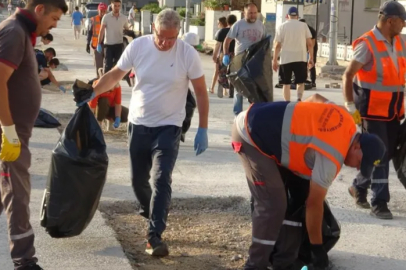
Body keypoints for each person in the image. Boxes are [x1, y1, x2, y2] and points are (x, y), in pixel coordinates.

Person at [76, 8, 209, 257]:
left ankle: (154, 236)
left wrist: (203, 127)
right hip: (139, 124)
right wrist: (94, 92)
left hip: (169, 126)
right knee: (138, 181)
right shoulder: (138, 47)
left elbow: (201, 92)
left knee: (161, 179)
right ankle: (153, 212)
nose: (166, 42)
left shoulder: (187, 54)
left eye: (172, 38)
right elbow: (116, 74)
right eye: (161, 36)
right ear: (153, 30)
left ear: (178, 34)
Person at [231, 93, 385, 270]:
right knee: (273, 204)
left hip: (263, 121)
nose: (358, 168)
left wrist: (299, 127)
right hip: (249, 134)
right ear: (357, 146)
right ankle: (255, 265)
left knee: (295, 201)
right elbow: (314, 205)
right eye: (361, 162)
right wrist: (317, 249)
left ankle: (283, 262)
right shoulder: (332, 157)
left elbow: (315, 97)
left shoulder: (345, 117)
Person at [0, 1, 67, 269]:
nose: (54, 25)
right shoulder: (14, 32)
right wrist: (8, 130)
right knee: (17, 194)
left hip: (15, 132)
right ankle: (24, 261)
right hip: (11, 134)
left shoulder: (21, 32)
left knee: (10, 192)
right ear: (39, 9)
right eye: (53, 18)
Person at [343, 1, 406, 220]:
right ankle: (379, 201)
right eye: (402, 21)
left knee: (385, 154)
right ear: (390, 21)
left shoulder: (399, 42)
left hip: (393, 110)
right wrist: (350, 108)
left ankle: (358, 187)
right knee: (380, 155)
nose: (404, 25)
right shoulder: (367, 43)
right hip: (371, 111)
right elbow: (348, 75)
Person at [223, 3, 266, 116]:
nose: (253, 15)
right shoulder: (238, 25)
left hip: (255, 61)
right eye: (250, 13)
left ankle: (254, 112)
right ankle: (238, 113)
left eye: (255, 13)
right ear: (244, 13)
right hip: (240, 60)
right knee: (239, 87)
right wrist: (225, 55)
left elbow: (264, 43)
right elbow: (227, 40)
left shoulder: (260, 25)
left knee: (255, 87)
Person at [272, 7, 314, 102]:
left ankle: (287, 102)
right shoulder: (303, 26)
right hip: (301, 58)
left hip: (286, 59)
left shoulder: (282, 27)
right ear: (297, 16)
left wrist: (274, 60)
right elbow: (310, 44)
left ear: (287, 16)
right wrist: (311, 58)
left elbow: (277, 45)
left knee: (286, 83)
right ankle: (299, 98)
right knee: (300, 81)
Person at [98, 0, 128, 74]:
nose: (117, 8)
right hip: (108, 45)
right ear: (111, 6)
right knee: (108, 66)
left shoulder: (124, 18)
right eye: (115, 6)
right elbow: (101, 31)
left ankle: (115, 84)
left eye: (118, 6)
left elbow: (127, 30)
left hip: (119, 44)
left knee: (118, 66)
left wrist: (130, 30)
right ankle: (106, 83)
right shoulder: (106, 17)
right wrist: (99, 43)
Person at [214, 15, 237, 98]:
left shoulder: (222, 31)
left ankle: (221, 84)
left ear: (227, 22)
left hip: (223, 54)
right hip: (235, 54)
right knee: (233, 73)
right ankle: (232, 92)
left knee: (222, 72)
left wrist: (214, 55)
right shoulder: (237, 31)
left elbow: (218, 44)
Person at [86, 2, 108, 78]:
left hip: (107, 45)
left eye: (104, 11)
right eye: (101, 10)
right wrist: (87, 44)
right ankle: (99, 79)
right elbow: (89, 32)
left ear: (106, 11)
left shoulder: (109, 20)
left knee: (107, 65)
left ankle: (105, 80)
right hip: (97, 46)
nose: (102, 12)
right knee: (98, 64)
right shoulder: (94, 20)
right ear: (98, 11)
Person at [208, 16, 227, 95]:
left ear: (221, 23)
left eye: (218, 23)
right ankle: (225, 90)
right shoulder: (230, 31)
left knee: (217, 71)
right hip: (227, 54)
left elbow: (217, 44)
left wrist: (214, 55)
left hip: (220, 54)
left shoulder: (220, 32)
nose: (217, 25)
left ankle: (212, 88)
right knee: (225, 71)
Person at [299, 18, 318, 88]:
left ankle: (313, 81)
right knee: (302, 64)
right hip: (303, 48)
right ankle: (304, 79)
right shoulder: (299, 30)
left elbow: (312, 44)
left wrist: (310, 54)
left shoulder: (311, 30)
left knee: (311, 64)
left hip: (312, 48)